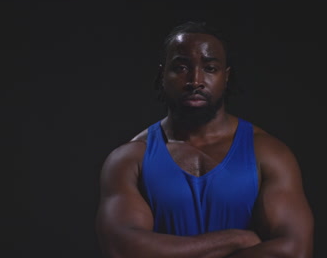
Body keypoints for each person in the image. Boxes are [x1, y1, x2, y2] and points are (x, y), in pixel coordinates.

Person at [96, 21, 314, 258]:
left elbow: (294, 251)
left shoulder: (269, 153)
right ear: (162, 76)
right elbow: (123, 250)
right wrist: (235, 239)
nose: (195, 80)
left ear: (226, 76)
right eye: (181, 68)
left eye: (210, 68)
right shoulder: (130, 158)